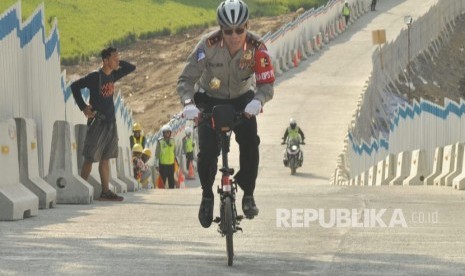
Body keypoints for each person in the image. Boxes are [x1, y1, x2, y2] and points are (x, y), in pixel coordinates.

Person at [177, 0, 275, 228]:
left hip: (242, 99)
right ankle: (207, 196)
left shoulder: (257, 47)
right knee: (207, 151)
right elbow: (186, 80)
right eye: (228, 31)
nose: (234, 36)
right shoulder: (207, 46)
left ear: (247, 26)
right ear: (221, 29)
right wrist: (188, 103)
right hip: (209, 98)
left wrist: (258, 101)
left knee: (251, 141)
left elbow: (266, 83)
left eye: (240, 30)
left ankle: (248, 193)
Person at [71, 46, 136, 201]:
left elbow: (131, 67)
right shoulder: (94, 77)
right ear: (105, 60)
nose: (117, 60)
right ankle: (81, 190)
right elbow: (74, 86)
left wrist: (118, 61)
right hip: (97, 123)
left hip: (110, 123)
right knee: (90, 157)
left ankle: (105, 192)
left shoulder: (113, 75)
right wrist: (83, 107)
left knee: (105, 158)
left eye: (118, 58)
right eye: (114, 58)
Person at [155, 125, 176, 189]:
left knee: (171, 181)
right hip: (163, 165)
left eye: (168, 132)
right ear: (163, 133)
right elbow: (157, 154)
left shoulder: (173, 140)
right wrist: (156, 164)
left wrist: (176, 161)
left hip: (171, 164)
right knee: (163, 181)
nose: (167, 134)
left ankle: (172, 193)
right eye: (165, 132)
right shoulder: (160, 141)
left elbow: (174, 151)